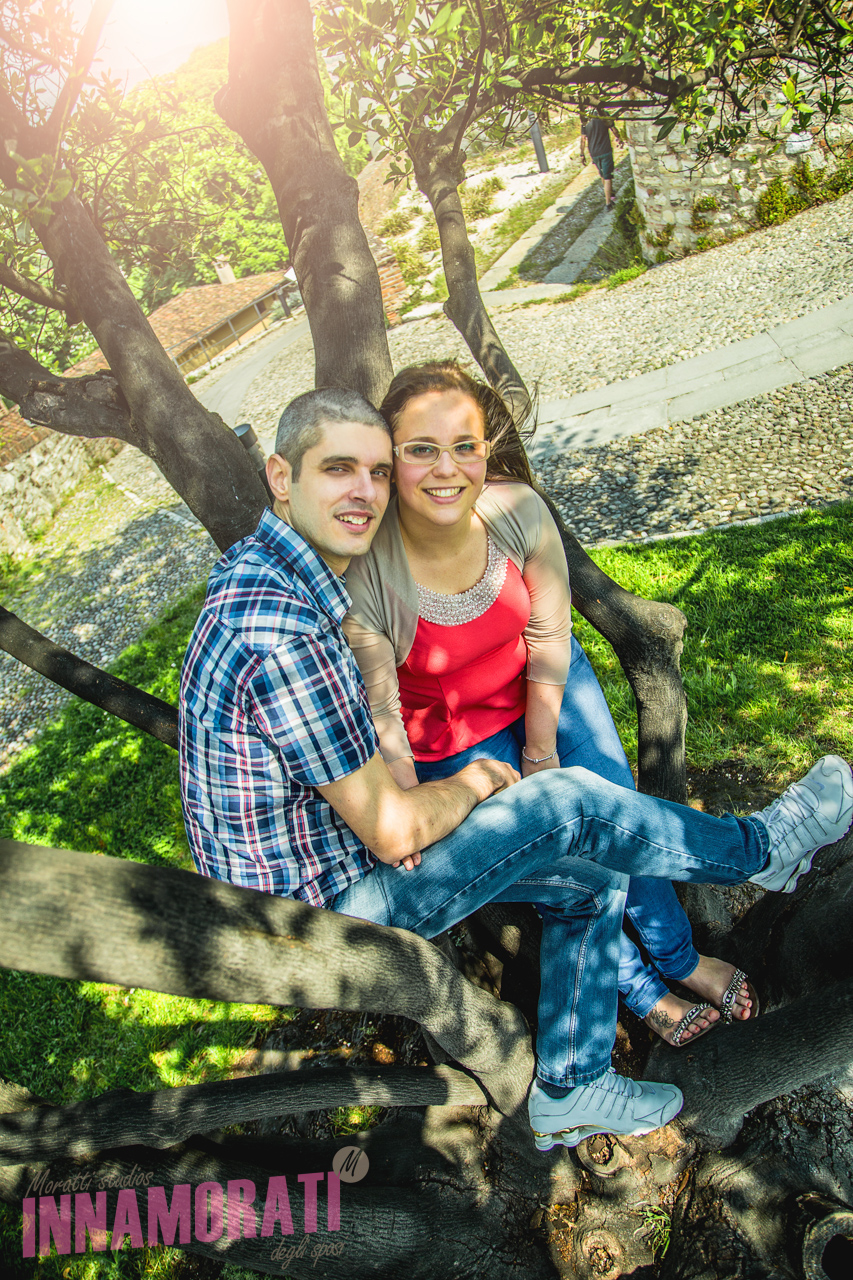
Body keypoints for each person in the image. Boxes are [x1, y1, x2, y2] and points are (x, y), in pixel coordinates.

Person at [178, 385, 853, 1154]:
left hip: (325, 879)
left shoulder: (276, 571)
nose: (362, 493)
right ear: (278, 475)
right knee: (568, 805)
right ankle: (760, 850)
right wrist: (472, 784)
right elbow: (391, 826)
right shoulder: (281, 625)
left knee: (588, 876)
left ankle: (569, 1086)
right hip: (320, 922)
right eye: (338, 470)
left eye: (372, 470)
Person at [342, 361, 755, 1050]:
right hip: (452, 736)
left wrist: (543, 753)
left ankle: (679, 955)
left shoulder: (516, 511)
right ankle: (641, 988)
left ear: (484, 450)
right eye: (420, 450)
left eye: (463, 447)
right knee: (581, 862)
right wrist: (413, 812)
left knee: (619, 815)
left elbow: (548, 636)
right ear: (388, 459)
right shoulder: (367, 570)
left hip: (548, 690)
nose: (446, 470)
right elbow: (382, 712)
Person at [580, 106, 624, 210]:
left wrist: (582, 154)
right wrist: (619, 138)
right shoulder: (604, 114)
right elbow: (613, 129)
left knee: (603, 175)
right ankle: (608, 203)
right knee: (608, 176)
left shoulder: (585, 118)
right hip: (605, 150)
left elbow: (583, 139)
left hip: (594, 153)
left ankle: (609, 193)